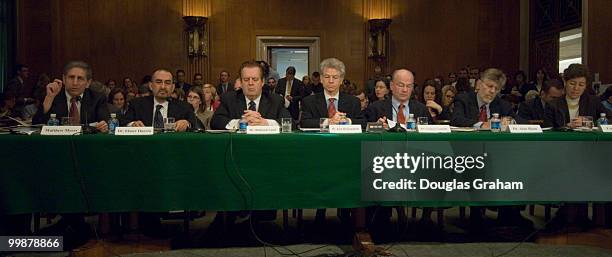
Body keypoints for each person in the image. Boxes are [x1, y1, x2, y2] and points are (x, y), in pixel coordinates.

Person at [211, 60, 291, 130]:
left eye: (255, 79)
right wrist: (240, 123)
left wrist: (265, 123)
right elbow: (215, 122)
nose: (250, 83)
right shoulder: (229, 99)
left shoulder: (275, 100)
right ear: (241, 83)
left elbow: (290, 123)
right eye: (246, 80)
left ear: (262, 82)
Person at [32, 61, 109, 132]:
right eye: (71, 77)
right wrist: (49, 98)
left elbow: (104, 122)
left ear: (88, 83)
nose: (75, 83)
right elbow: (36, 124)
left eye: (80, 78)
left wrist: (102, 125)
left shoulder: (97, 98)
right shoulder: (53, 96)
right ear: (64, 79)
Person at [300, 58, 366, 128]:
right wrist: (328, 122)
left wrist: (346, 121)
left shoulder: (353, 101)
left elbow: (363, 123)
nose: (331, 81)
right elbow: (304, 123)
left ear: (341, 80)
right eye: (327, 77)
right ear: (321, 79)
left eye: (335, 77)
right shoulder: (309, 101)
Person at [122, 68, 194, 131]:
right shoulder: (136, 104)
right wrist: (132, 125)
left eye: (167, 83)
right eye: (158, 82)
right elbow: (123, 124)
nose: (163, 87)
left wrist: (187, 124)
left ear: (172, 87)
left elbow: (197, 126)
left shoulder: (185, 107)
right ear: (150, 86)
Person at [544, 64, 611, 128]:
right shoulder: (552, 105)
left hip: (588, 139)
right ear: (565, 82)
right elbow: (547, 128)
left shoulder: (593, 102)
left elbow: (610, 119)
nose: (576, 88)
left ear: (585, 86)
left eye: (581, 85)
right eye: (572, 84)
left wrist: (588, 123)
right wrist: (566, 127)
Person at [451, 68, 523, 128]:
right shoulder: (463, 99)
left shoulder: (503, 104)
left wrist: (511, 121)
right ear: (479, 84)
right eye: (490, 86)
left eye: (497, 89)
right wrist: (482, 124)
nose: (492, 91)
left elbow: (523, 122)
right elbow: (456, 120)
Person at [365, 69, 430, 127]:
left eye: (409, 86)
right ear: (391, 86)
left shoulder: (422, 110)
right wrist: (376, 127)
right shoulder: (375, 108)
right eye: (401, 85)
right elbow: (365, 132)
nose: (405, 90)